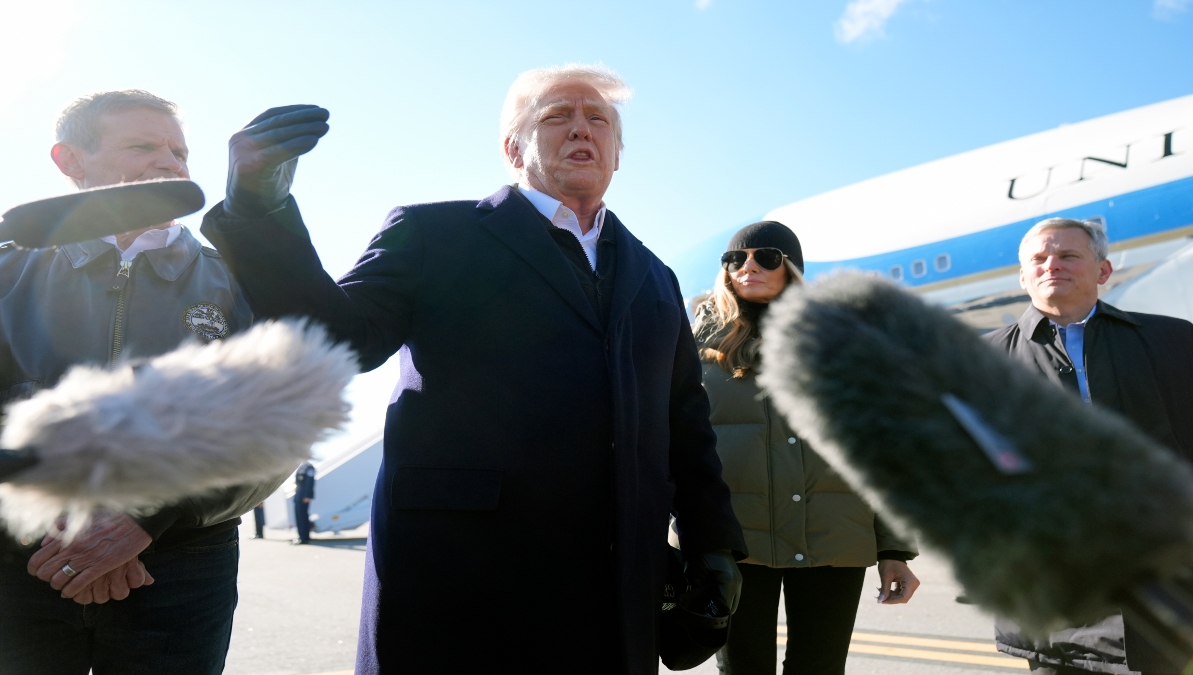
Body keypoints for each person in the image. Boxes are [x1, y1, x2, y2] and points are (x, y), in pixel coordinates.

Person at [199, 64, 747, 674]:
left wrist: (713, 544)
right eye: (556, 116)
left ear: (618, 152)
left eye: (598, 119)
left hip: (616, 585)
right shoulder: (434, 234)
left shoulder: (655, 278)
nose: (580, 129)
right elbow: (340, 340)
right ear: (513, 147)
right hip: (461, 580)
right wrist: (256, 209)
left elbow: (685, 421)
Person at [0, 90, 284, 675]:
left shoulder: (239, 280)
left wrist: (144, 517)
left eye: (179, 151)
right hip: (20, 560)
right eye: (143, 146)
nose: (170, 163)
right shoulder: (6, 271)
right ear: (69, 160)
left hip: (181, 565)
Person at [693, 221, 920, 675]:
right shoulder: (692, 350)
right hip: (736, 543)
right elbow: (673, 448)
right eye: (736, 259)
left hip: (834, 539)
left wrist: (894, 549)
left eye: (767, 257)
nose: (749, 266)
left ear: (792, 268)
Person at [987, 217, 1193, 675]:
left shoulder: (1175, 339)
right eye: (1039, 259)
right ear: (1023, 277)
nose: (1052, 266)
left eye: (1068, 256)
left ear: (1103, 271)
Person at [292, 461, 316, 545]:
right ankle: (301, 536)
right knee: (299, 517)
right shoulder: (301, 467)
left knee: (303, 517)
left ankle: (304, 537)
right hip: (298, 496)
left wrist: (308, 496)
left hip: (303, 497)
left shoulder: (309, 467)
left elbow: (310, 482)